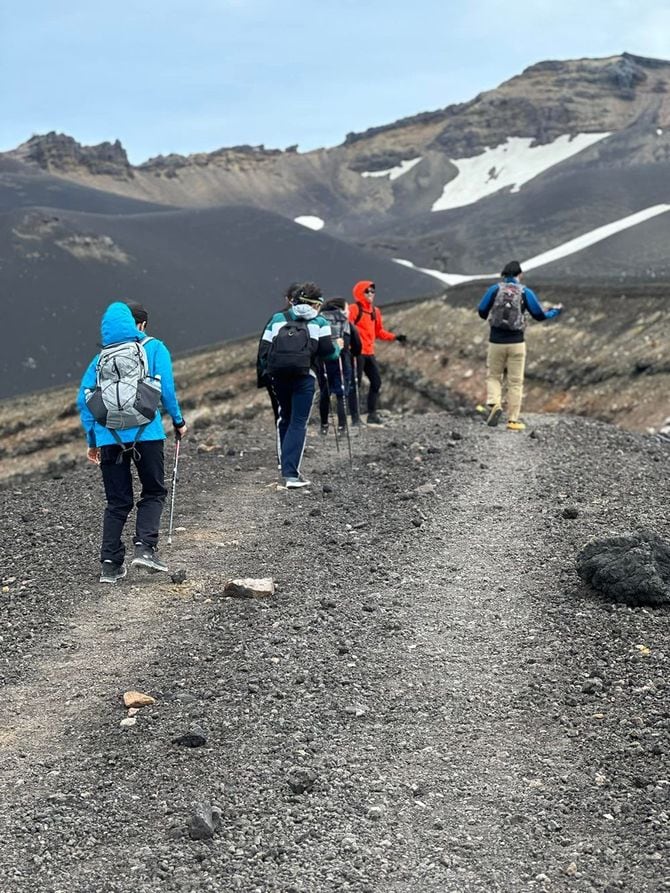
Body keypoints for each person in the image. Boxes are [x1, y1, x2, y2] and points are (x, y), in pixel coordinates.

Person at [77, 301, 187, 583]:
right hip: (147, 434)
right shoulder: (155, 348)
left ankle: (110, 565)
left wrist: (93, 441)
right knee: (153, 491)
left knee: (117, 501)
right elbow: (167, 391)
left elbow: (84, 401)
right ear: (139, 324)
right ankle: (145, 549)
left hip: (108, 438)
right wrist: (177, 421)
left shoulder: (99, 359)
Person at [258, 282, 339, 489]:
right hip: (305, 377)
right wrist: (338, 349)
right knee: (298, 422)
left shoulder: (278, 319)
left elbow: (264, 351)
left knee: (284, 417)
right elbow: (328, 353)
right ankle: (291, 474)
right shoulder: (319, 322)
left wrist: (269, 373)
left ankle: (284, 465)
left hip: (279, 376)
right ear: (317, 304)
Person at [478, 261, 562, 431]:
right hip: (517, 343)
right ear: (519, 274)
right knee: (515, 382)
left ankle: (494, 403)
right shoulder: (525, 292)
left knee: (494, 376)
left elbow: (481, 310)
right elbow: (538, 315)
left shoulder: (495, 290)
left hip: (496, 342)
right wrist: (555, 311)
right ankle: (513, 421)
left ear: (503, 274)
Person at [348, 280, 407, 426]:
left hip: (369, 352)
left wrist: (395, 337)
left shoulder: (375, 311)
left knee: (376, 382)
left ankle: (371, 415)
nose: (370, 294)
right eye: (367, 291)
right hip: (356, 352)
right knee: (355, 385)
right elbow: (346, 328)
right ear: (359, 293)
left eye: (372, 291)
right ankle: (355, 418)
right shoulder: (354, 309)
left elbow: (378, 331)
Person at [256, 282, 300, 423]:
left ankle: (285, 443)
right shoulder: (311, 320)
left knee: (281, 413)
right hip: (298, 373)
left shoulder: (277, 318)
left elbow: (263, 349)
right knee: (294, 414)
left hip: (276, 372)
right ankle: (293, 444)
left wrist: (265, 372)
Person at [317, 296, 360, 433]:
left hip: (322, 362)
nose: (348, 312)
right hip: (342, 361)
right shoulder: (346, 323)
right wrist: (353, 352)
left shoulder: (319, 321)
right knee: (341, 394)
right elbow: (357, 345)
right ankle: (342, 427)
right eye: (347, 309)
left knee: (325, 392)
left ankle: (324, 425)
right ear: (341, 309)